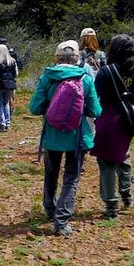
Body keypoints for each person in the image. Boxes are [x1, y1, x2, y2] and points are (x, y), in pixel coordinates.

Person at [29, 40, 102, 236]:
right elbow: (96, 110)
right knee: (71, 178)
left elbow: (34, 108)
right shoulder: (85, 79)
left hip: (52, 136)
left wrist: (50, 108)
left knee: (51, 173)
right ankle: (62, 221)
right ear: (76, 58)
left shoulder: (47, 77)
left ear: (56, 58)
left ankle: (50, 209)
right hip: (78, 137)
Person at [93, 34, 134, 218]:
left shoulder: (106, 72)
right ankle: (127, 194)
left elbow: (94, 99)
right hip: (129, 122)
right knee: (123, 154)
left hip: (108, 121)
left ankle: (111, 205)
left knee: (106, 162)